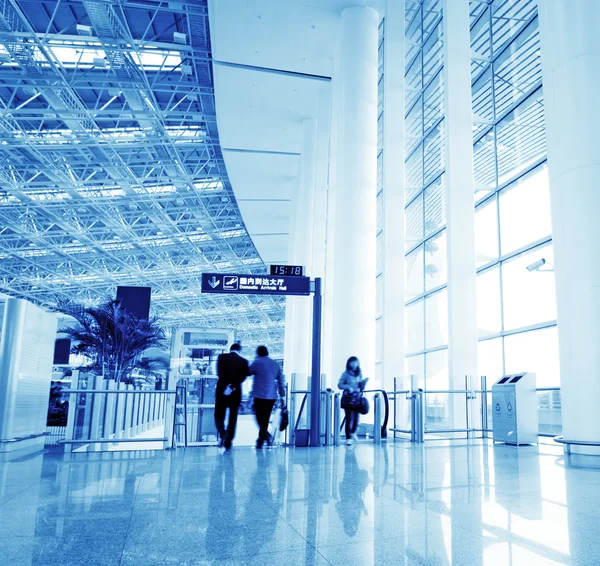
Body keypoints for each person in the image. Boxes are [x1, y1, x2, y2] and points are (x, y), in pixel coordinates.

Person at [249, 346, 286, 448]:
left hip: (259, 395)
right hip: (271, 396)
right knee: (265, 418)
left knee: (259, 418)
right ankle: (260, 441)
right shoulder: (275, 364)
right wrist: (283, 396)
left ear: (258, 353)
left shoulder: (257, 362)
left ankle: (266, 436)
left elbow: (248, 372)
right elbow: (280, 382)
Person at [215, 343, 250, 450]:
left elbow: (219, 373)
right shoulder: (244, 361)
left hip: (222, 391)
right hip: (235, 393)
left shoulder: (221, 358)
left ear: (230, 349)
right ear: (239, 350)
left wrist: (226, 386)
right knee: (233, 417)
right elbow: (244, 376)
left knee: (218, 414)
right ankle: (229, 441)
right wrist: (232, 386)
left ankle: (222, 432)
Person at [338, 356, 367, 445]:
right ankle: (348, 438)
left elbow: (361, 387)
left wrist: (364, 383)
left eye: (356, 362)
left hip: (357, 398)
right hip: (348, 399)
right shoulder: (345, 374)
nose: (354, 364)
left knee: (356, 418)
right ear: (349, 363)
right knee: (349, 418)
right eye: (353, 362)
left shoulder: (359, 373)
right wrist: (348, 387)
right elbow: (339, 385)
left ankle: (353, 432)